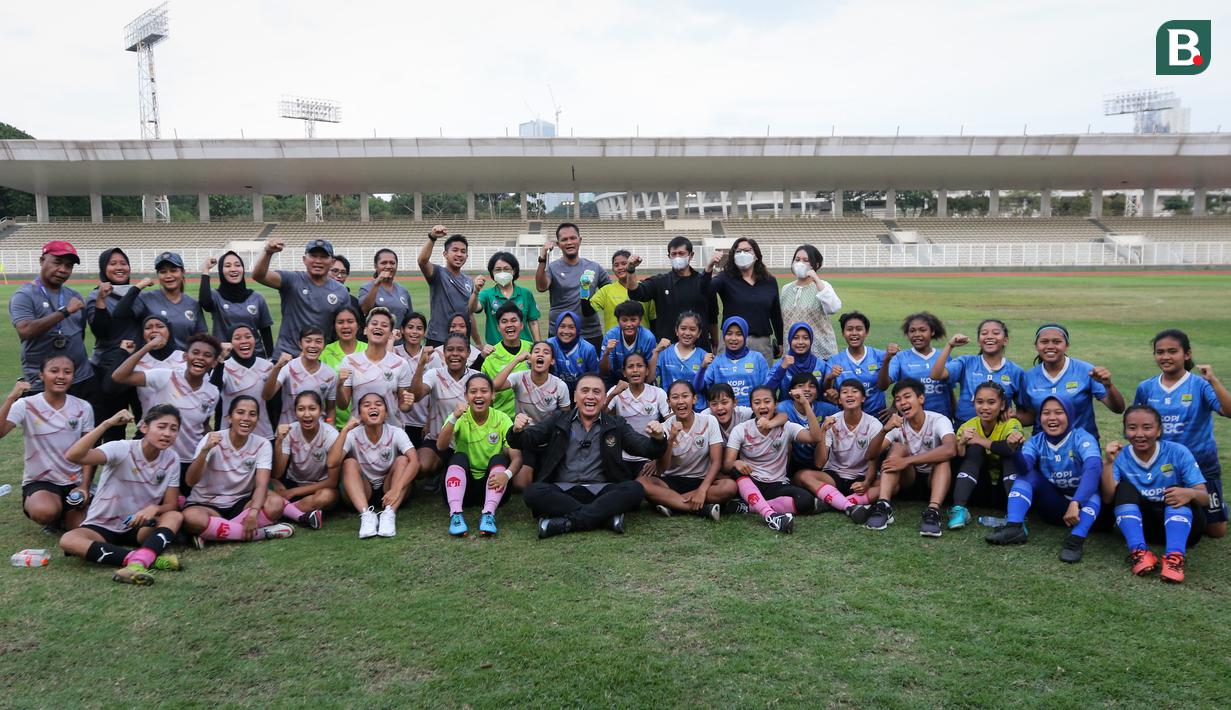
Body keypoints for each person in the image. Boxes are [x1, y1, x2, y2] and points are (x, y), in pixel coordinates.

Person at [509, 373, 668, 538]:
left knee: (634, 489)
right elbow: (528, 439)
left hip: (603, 491)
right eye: (585, 391)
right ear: (575, 396)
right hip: (562, 491)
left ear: (604, 398)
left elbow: (646, 448)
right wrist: (517, 431)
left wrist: (658, 439)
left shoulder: (616, 424)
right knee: (532, 492)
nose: (590, 396)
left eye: (596, 392)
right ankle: (604, 517)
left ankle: (565, 522)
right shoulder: (558, 420)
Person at [60, 406, 184, 586]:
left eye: (173, 429)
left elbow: (171, 504)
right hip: (102, 526)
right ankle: (143, 560)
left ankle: (139, 560)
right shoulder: (121, 448)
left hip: (138, 526)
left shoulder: (172, 458)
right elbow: (74, 455)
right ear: (144, 427)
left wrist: (155, 508)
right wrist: (106, 424)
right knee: (68, 540)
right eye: (162, 426)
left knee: (174, 516)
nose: (167, 433)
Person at [1133, 329, 1230, 538]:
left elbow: (1228, 412)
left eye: (1172, 351)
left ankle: (1205, 503)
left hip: (1202, 462)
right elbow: (1137, 424)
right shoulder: (1146, 388)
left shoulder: (1200, 385)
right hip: (1163, 464)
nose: (1165, 357)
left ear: (1186, 354)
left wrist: (1213, 380)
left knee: (1217, 531)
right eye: (1160, 352)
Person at [984, 396, 1101, 562]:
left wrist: (1076, 502)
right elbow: (1024, 469)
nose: (1052, 418)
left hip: (1082, 510)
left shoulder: (1082, 438)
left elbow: (1094, 468)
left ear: (1070, 415)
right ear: (1040, 418)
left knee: (1094, 493)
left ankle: (1075, 540)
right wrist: (1015, 450)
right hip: (1054, 506)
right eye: (1046, 413)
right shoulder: (1037, 441)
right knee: (1027, 476)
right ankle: (1014, 527)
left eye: (1058, 412)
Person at [1104, 405, 1209, 584]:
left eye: (1147, 427)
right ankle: (1139, 552)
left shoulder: (1178, 452)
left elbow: (1205, 497)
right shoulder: (1121, 456)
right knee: (1124, 488)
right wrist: (1108, 462)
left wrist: (1189, 492)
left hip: (1185, 528)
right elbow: (1108, 498)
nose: (1139, 434)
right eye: (1132, 427)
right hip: (1145, 528)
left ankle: (1175, 558)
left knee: (1177, 490)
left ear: (1159, 430)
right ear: (1125, 431)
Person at [182, 396, 295, 546]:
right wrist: (204, 452)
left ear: (257, 419)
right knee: (190, 517)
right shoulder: (212, 439)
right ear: (229, 417)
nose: (246, 418)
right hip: (206, 503)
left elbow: (262, 484)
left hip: (240, 504)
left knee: (275, 503)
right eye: (240, 412)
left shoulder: (262, 444)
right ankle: (262, 534)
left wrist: (254, 512)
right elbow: (190, 481)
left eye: (252, 414)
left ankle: (214, 532)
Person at [0, 357, 95, 532]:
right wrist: (11, 397)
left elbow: (88, 451)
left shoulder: (83, 407)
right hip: (40, 481)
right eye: (54, 371)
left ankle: (72, 509)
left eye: (67, 372)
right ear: (41, 375)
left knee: (82, 528)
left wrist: (84, 486)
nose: (61, 376)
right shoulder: (26, 405)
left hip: (73, 482)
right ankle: (55, 513)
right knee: (45, 512)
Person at [111, 333, 222, 480]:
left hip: (187, 459)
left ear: (214, 362)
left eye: (207, 355)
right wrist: (147, 347)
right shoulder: (166, 376)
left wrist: (215, 444)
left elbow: (203, 424)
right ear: (185, 357)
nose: (200, 357)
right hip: (155, 456)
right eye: (195, 353)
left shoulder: (212, 392)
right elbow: (119, 376)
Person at [725, 385, 824, 534]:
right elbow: (727, 465)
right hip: (750, 482)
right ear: (751, 406)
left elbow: (815, 437)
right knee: (735, 469)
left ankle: (747, 507)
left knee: (806, 501)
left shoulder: (787, 427)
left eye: (767, 401)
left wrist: (805, 404)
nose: (762, 406)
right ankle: (770, 515)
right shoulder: (741, 429)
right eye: (757, 402)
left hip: (776, 484)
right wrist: (735, 462)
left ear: (775, 404)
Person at [864, 379, 957, 536]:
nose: (902, 402)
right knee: (897, 447)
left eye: (907, 397)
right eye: (898, 399)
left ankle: (933, 512)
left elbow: (950, 449)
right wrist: (884, 430)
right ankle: (883, 506)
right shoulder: (897, 424)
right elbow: (870, 455)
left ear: (921, 399)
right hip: (908, 480)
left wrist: (906, 461)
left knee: (943, 458)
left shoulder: (938, 420)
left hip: (934, 481)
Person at [436, 373, 522, 536]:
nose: (478, 395)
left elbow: (517, 458)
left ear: (493, 395)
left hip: (493, 486)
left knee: (499, 458)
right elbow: (440, 446)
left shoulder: (502, 419)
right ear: (466, 396)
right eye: (473, 391)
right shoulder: (459, 417)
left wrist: (507, 475)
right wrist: (454, 417)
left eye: (484, 391)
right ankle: (455, 514)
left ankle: (489, 514)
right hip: (464, 489)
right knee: (458, 456)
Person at [641, 380, 737, 519]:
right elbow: (662, 469)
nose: (680, 401)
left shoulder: (709, 421)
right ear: (668, 402)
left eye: (685, 396)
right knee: (642, 482)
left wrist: (702, 490)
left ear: (694, 399)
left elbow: (716, 461)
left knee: (729, 487)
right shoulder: (664, 427)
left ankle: (672, 504)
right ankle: (698, 508)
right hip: (671, 481)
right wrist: (671, 438)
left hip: (700, 479)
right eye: (675, 397)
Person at [330, 392, 419, 539]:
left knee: (403, 460)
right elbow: (332, 463)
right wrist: (345, 429)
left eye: (378, 404)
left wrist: (396, 489)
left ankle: (389, 513)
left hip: (389, 490)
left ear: (386, 412)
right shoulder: (352, 434)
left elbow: (415, 462)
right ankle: (366, 515)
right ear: (359, 414)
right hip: (363, 491)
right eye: (366, 405)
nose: (373, 407)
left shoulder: (396, 432)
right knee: (349, 463)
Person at [10, 241, 93, 397]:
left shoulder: (74, 295)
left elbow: (79, 333)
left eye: (69, 265)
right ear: (42, 261)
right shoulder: (24, 295)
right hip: (41, 382)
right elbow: (25, 330)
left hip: (80, 378)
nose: (63, 269)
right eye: (57, 262)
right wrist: (65, 311)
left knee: (81, 421)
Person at [1021, 323, 1125, 441]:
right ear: (1036, 346)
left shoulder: (1086, 370)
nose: (1050, 346)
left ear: (1067, 346)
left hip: (1082, 446)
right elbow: (1031, 417)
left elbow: (1118, 408)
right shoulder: (1029, 377)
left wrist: (1108, 386)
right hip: (1044, 447)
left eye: (1057, 342)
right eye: (1044, 342)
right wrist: (1010, 416)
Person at [252, 237, 350, 357]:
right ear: (304, 259)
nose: (318, 260)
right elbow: (259, 276)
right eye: (313, 256)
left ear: (332, 262)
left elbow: (343, 327)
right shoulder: (291, 280)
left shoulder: (341, 291)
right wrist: (268, 252)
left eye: (323, 256)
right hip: (286, 356)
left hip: (319, 358)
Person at [804, 379, 883, 523]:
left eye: (854, 392)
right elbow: (820, 463)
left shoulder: (874, 424)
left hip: (860, 477)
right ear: (839, 400)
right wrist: (822, 431)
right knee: (802, 475)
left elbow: (873, 460)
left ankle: (832, 503)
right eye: (845, 392)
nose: (849, 395)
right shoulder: (832, 421)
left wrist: (866, 482)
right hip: (834, 476)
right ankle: (848, 504)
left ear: (863, 398)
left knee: (889, 484)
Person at [949, 382, 1024, 530]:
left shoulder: (1011, 423)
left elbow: (1010, 448)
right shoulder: (967, 427)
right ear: (973, 403)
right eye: (979, 402)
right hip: (980, 489)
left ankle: (1016, 517)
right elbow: (959, 457)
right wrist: (962, 443)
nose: (984, 407)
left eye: (991, 402)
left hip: (1006, 491)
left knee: (1009, 454)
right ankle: (959, 509)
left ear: (1002, 405)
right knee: (975, 449)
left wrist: (980, 440)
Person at [930, 319, 1029, 426]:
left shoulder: (1015, 371)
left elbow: (1027, 415)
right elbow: (936, 375)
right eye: (984, 333)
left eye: (996, 333)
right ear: (978, 341)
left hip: (999, 430)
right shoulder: (966, 363)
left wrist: (1013, 415)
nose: (989, 336)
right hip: (965, 427)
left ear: (1005, 340)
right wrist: (950, 346)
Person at [624, 236, 717, 350]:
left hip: (699, 349)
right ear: (669, 256)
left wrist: (715, 342)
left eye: (681, 253)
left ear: (691, 255)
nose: (677, 257)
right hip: (668, 349)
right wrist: (630, 269)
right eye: (674, 254)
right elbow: (635, 293)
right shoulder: (660, 282)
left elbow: (713, 317)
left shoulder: (704, 283)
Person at [86, 248, 140, 442]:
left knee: (146, 422)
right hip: (108, 367)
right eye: (113, 263)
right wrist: (101, 299)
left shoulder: (138, 294)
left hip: (137, 367)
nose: (119, 267)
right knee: (113, 427)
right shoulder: (96, 295)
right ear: (103, 268)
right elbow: (101, 331)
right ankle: (112, 469)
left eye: (123, 263)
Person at [410, 334, 482, 479]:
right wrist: (420, 365)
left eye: (460, 350)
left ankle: (446, 471)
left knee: (467, 475)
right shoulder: (434, 374)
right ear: (444, 352)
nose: (455, 353)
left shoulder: (477, 377)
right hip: (437, 440)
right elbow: (416, 396)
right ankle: (439, 468)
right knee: (421, 466)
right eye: (450, 349)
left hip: (467, 442)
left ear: (468, 353)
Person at [335, 307, 415, 435]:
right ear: (366, 330)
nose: (378, 327)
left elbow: (404, 406)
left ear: (390, 334)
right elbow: (342, 405)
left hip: (391, 432)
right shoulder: (349, 361)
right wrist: (339, 385)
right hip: (358, 431)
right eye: (374, 323)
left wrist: (409, 403)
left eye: (384, 325)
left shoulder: (400, 364)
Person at [537, 222, 612, 351]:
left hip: (590, 332)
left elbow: (609, 293)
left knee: (592, 371)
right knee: (557, 371)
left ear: (580, 240)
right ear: (558, 244)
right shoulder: (552, 268)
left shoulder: (594, 267)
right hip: (559, 332)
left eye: (573, 238)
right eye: (564, 239)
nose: (569, 242)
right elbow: (541, 287)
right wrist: (543, 259)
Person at [706, 237, 782, 362]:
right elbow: (706, 290)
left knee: (762, 381)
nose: (742, 254)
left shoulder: (769, 281)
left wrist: (780, 341)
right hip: (731, 342)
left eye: (747, 250)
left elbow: (775, 314)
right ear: (733, 256)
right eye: (738, 251)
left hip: (760, 343)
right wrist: (709, 268)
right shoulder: (725, 278)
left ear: (756, 255)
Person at [112, 251, 206, 351]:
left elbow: (201, 337)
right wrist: (137, 287)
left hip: (182, 363)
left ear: (183, 272)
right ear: (158, 275)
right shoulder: (146, 299)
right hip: (153, 363)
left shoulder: (192, 304)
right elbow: (119, 314)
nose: (168, 275)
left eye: (173, 270)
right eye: (163, 272)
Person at [271, 391, 339, 525]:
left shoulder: (330, 434)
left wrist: (292, 492)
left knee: (326, 497)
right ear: (295, 412)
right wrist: (278, 441)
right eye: (301, 409)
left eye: (312, 409)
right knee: (269, 485)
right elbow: (278, 473)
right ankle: (299, 512)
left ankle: (281, 511)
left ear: (321, 412)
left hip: (320, 486)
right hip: (293, 482)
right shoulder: (289, 431)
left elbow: (332, 482)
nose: (307, 414)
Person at [878, 312, 953, 422]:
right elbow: (882, 385)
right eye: (912, 331)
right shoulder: (900, 357)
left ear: (932, 332)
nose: (917, 334)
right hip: (910, 420)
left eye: (922, 330)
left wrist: (954, 414)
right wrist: (886, 360)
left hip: (941, 419)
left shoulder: (944, 356)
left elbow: (950, 390)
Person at [775, 372, 839, 500]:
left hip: (820, 460)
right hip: (793, 461)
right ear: (791, 391)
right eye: (801, 385)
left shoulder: (829, 409)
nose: (807, 389)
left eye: (812, 386)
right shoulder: (783, 407)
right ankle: (783, 478)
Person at [198, 251, 274, 358]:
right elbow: (205, 303)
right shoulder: (216, 296)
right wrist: (206, 270)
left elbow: (265, 331)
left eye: (237, 265)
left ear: (243, 269)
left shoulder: (257, 298)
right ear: (221, 271)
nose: (233, 269)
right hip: (225, 359)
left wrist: (270, 358)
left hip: (255, 357)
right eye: (227, 266)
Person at [606, 352, 670, 478]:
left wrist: (657, 458)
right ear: (624, 372)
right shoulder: (616, 390)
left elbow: (671, 422)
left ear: (647, 371)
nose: (635, 370)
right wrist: (613, 394)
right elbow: (598, 416)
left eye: (640, 366)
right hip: (621, 456)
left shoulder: (658, 393)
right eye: (630, 367)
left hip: (647, 457)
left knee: (644, 486)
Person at [264, 326, 337, 426]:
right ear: (300, 344)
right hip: (288, 432)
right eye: (308, 341)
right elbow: (267, 395)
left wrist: (329, 427)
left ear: (324, 345)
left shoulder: (330, 374)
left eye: (318, 341)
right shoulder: (289, 368)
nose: (313, 345)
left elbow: (331, 409)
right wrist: (277, 367)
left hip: (317, 432)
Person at [212, 324, 275, 440]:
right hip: (229, 436)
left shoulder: (268, 367)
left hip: (263, 435)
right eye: (237, 338)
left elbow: (274, 404)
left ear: (255, 340)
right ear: (229, 343)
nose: (244, 341)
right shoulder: (223, 367)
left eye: (248, 337)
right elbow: (213, 393)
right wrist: (219, 360)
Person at [779, 245, 841, 359]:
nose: (800, 263)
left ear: (816, 265)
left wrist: (816, 279)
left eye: (805, 260)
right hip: (792, 354)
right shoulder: (786, 289)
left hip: (820, 353)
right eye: (797, 260)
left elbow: (834, 307)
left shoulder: (823, 286)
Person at [418, 225, 476, 347]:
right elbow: (422, 261)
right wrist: (432, 237)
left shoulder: (469, 281)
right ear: (445, 254)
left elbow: (470, 313)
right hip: (437, 338)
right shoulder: (438, 273)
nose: (459, 254)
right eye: (455, 250)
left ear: (467, 256)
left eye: (463, 251)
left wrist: (479, 342)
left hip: (461, 338)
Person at [694, 317, 770, 407]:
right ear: (724, 336)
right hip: (724, 413)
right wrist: (702, 367)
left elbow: (767, 388)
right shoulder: (717, 361)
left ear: (745, 336)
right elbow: (697, 387)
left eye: (739, 334)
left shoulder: (757, 358)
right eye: (729, 334)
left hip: (752, 413)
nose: (733, 338)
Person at [470, 251, 541, 346]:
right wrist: (475, 291)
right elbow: (474, 308)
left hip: (524, 350)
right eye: (498, 270)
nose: (502, 273)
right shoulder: (487, 294)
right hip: (496, 351)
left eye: (506, 269)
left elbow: (533, 322)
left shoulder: (525, 293)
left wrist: (538, 345)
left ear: (514, 271)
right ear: (492, 272)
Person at [825, 312, 887, 416]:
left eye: (859, 329)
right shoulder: (834, 361)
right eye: (849, 329)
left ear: (866, 332)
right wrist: (830, 378)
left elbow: (899, 383)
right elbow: (827, 390)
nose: (854, 333)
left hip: (877, 417)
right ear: (843, 333)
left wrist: (893, 407)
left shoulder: (880, 356)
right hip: (846, 417)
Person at [582, 250, 656, 334]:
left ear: (632, 264)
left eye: (624, 263)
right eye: (616, 265)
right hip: (614, 344)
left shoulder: (645, 288)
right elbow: (587, 312)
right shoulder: (606, 290)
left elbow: (653, 320)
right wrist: (584, 289)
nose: (620, 267)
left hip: (642, 344)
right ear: (613, 269)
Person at [392, 312, 437, 447]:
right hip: (399, 422)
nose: (414, 332)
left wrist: (429, 421)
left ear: (424, 332)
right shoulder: (394, 352)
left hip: (423, 422)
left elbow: (437, 393)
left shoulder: (432, 356)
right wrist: (391, 340)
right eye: (410, 327)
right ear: (402, 330)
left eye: (419, 328)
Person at [480, 303, 532, 417]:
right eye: (504, 322)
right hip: (503, 421)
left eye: (514, 320)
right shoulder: (491, 357)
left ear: (522, 325)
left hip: (532, 420)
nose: (509, 325)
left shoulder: (532, 350)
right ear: (498, 328)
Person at [127, 315, 186, 415]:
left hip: (184, 422)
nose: (154, 330)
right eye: (148, 328)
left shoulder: (184, 358)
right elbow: (110, 386)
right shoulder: (137, 361)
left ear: (169, 331)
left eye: (160, 326)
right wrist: (147, 347)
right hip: (149, 424)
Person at [321, 305, 367, 429]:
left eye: (350, 322)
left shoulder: (368, 350)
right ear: (334, 326)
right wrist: (329, 422)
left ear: (358, 325)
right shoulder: (324, 353)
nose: (345, 326)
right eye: (340, 322)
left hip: (366, 425)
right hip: (334, 425)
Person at [654, 311, 710, 411]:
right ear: (676, 330)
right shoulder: (665, 353)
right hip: (670, 410)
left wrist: (703, 367)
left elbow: (703, 387)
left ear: (699, 333)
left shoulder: (704, 356)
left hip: (697, 410)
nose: (687, 333)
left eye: (692, 329)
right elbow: (650, 377)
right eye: (683, 328)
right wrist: (656, 352)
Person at [599, 300, 658, 387]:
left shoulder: (648, 338)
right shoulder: (611, 336)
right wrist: (606, 353)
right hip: (616, 378)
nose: (629, 324)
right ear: (618, 321)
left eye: (633, 320)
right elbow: (604, 371)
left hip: (640, 378)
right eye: (624, 320)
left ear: (640, 320)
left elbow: (650, 371)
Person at [766, 323, 829, 403]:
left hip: (814, 412)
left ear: (811, 341)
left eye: (805, 338)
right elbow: (767, 392)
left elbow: (826, 393)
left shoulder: (820, 365)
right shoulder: (781, 364)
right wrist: (782, 369)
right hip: (787, 412)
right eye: (795, 338)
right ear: (789, 340)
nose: (800, 342)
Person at [358, 248, 413, 326]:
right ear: (376, 266)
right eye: (384, 263)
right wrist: (377, 284)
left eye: (392, 263)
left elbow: (409, 320)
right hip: (375, 337)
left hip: (398, 338)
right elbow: (365, 310)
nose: (388, 266)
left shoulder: (403, 291)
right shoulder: (366, 288)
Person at [547, 311, 598, 393]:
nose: (566, 331)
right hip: (554, 392)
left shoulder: (588, 349)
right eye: (562, 326)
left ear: (577, 329)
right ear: (556, 328)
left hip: (580, 392)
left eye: (571, 327)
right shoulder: (549, 345)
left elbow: (594, 377)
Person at [327, 255, 366, 339]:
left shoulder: (353, 302)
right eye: (335, 271)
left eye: (343, 272)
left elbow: (360, 330)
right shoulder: (316, 298)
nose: (339, 276)